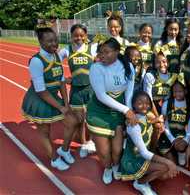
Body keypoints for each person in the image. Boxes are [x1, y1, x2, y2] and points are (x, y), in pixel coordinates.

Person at [22, 26, 81, 170]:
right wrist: (61, 107)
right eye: (49, 41)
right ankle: (54, 159)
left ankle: (64, 150)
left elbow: (61, 82)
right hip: (39, 100)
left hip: (54, 98)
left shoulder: (57, 56)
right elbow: (41, 91)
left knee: (72, 121)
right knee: (44, 131)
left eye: (55, 40)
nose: (54, 44)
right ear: (40, 42)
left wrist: (66, 104)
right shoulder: (36, 61)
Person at [86, 38, 137, 184]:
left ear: (116, 52)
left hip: (118, 113)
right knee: (103, 152)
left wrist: (127, 111)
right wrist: (126, 110)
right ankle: (107, 168)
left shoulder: (128, 66)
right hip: (99, 113)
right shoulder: (96, 68)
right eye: (100, 52)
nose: (102, 55)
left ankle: (115, 165)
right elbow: (101, 96)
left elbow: (129, 91)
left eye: (106, 52)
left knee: (117, 150)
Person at [120, 91, 178, 195]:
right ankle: (140, 183)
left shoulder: (146, 117)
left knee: (166, 173)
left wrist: (158, 122)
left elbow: (154, 120)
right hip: (133, 160)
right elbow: (144, 153)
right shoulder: (134, 125)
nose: (144, 106)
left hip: (142, 157)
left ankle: (145, 176)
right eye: (140, 103)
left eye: (147, 103)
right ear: (133, 105)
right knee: (165, 168)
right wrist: (168, 162)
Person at [59, 24, 96, 158]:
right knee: (79, 120)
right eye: (75, 35)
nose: (78, 38)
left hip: (90, 89)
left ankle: (91, 142)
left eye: (81, 35)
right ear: (71, 36)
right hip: (76, 91)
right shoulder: (66, 50)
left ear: (85, 36)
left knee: (90, 117)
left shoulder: (93, 48)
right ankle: (84, 143)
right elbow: (53, 62)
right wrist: (64, 79)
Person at [158, 78, 190, 166]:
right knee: (172, 163)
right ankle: (175, 151)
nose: (177, 93)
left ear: (185, 91)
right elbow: (164, 123)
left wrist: (186, 140)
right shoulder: (167, 104)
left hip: (180, 135)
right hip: (168, 135)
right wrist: (172, 139)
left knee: (181, 147)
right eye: (175, 91)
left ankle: (181, 151)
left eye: (180, 91)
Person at [143, 51, 177, 115]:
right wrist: (157, 116)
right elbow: (148, 99)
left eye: (164, 62)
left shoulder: (173, 77)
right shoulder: (149, 76)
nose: (161, 65)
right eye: (158, 62)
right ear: (154, 64)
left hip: (166, 108)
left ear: (168, 63)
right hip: (151, 108)